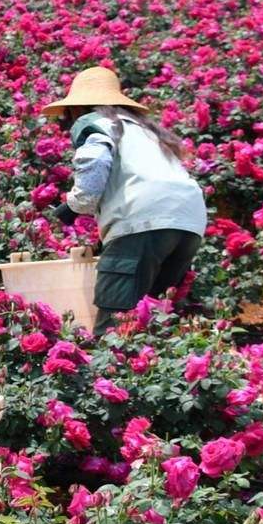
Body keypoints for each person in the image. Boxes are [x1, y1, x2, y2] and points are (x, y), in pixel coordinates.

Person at [42, 67, 205, 331]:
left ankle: (108, 371)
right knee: (152, 318)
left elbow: (94, 161)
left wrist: (74, 205)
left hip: (144, 220)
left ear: (79, 108)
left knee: (114, 324)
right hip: (189, 223)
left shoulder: (94, 122)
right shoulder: (145, 130)